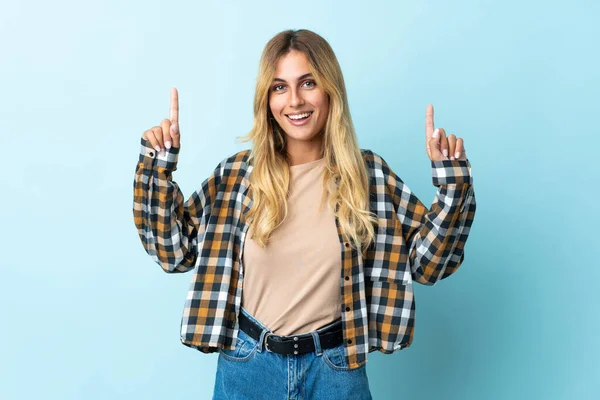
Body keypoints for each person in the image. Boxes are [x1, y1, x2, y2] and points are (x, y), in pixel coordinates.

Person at [133, 29, 476, 400]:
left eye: (307, 83)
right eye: (279, 87)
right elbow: (174, 251)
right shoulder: (236, 176)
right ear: (266, 99)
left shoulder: (369, 175)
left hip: (335, 370)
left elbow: (431, 265)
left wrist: (452, 183)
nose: (294, 101)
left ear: (330, 89)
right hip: (247, 367)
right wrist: (158, 165)